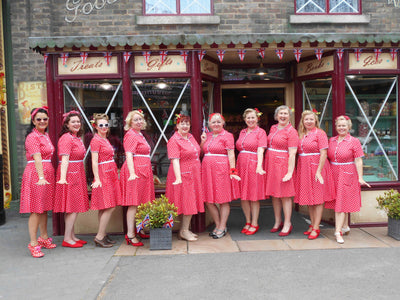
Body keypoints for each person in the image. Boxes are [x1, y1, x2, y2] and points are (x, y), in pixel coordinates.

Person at [326, 115, 370, 244]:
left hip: (347, 174)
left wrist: (360, 177)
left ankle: (337, 231)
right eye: (339, 125)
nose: (341, 128)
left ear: (349, 127)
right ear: (336, 127)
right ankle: (345, 227)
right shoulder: (332, 140)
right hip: (334, 173)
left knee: (340, 204)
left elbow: (358, 160)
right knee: (339, 202)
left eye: (344, 125)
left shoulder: (354, 141)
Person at [20, 107, 56, 258]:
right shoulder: (32, 137)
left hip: (47, 172)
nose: (42, 121)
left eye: (45, 119)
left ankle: (44, 237)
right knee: (36, 209)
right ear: (33, 121)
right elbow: (37, 158)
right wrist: (41, 177)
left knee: (44, 207)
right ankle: (33, 243)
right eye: (39, 119)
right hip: (36, 173)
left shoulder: (45, 135)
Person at [294, 110, 335, 240]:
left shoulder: (320, 133)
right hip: (304, 168)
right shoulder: (301, 134)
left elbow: (323, 153)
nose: (309, 122)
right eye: (306, 119)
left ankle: (316, 227)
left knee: (317, 199)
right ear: (303, 121)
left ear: (315, 121)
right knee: (309, 199)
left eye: (311, 119)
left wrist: (318, 170)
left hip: (317, 167)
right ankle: (312, 224)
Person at [200, 113, 240, 239]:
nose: (216, 124)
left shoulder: (227, 136)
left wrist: (233, 171)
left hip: (221, 169)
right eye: (213, 122)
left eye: (218, 122)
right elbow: (202, 150)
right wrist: (202, 141)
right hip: (207, 169)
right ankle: (218, 225)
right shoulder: (208, 135)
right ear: (209, 124)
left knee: (223, 199)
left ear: (223, 123)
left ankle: (222, 226)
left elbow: (231, 154)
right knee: (208, 199)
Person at [165, 114, 204, 241]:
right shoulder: (174, 140)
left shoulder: (191, 137)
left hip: (193, 174)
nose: (185, 126)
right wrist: (178, 177)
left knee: (190, 201)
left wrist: (203, 142)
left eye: (187, 123)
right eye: (182, 123)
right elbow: (174, 160)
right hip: (182, 174)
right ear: (177, 126)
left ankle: (184, 229)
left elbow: (197, 152)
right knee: (186, 201)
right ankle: (183, 231)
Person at [54, 110, 89, 248]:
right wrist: (63, 178)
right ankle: (67, 238)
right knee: (72, 207)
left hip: (77, 172)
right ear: (67, 125)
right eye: (73, 122)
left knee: (72, 207)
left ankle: (71, 235)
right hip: (70, 173)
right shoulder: (67, 138)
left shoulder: (75, 137)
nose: (76, 124)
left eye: (78, 121)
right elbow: (64, 159)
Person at [120, 110, 155, 247]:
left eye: (140, 119)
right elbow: (129, 155)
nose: (139, 122)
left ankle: (140, 228)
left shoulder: (139, 134)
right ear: (130, 122)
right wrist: (132, 173)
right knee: (134, 203)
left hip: (143, 170)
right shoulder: (131, 135)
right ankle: (130, 234)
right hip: (135, 171)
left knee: (142, 202)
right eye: (135, 120)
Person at [265, 105, 298, 236]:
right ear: (276, 116)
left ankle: (288, 223)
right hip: (271, 164)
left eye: (285, 114)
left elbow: (293, 153)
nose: (283, 116)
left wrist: (290, 172)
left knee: (285, 195)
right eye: (280, 114)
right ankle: (278, 221)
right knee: (275, 194)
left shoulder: (292, 131)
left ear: (289, 116)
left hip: (283, 164)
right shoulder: (273, 128)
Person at [90, 113, 121, 248]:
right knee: (109, 205)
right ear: (95, 126)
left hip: (110, 172)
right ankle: (100, 236)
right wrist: (97, 178)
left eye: (106, 125)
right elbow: (94, 161)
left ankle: (103, 233)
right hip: (103, 174)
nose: (104, 127)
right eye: (101, 125)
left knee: (104, 206)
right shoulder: (96, 140)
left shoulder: (105, 139)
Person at [236, 108, 267, 235]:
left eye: (253, 117)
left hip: (254, 164)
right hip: (241, 164)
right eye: (248, 118)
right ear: (244, 119)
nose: (250, 120)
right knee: (244, 195)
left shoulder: (261, 132)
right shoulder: (242, 132)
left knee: (253, 196)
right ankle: (247, 221)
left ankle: (255, 223)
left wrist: (259, 166)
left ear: (257, 118)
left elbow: (261, 150)